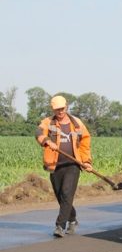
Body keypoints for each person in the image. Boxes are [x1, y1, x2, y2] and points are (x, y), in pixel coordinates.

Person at [35, 95, 93, 238]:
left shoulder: (77, 123)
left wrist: (86, 161)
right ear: (53, 109)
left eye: (62, 108)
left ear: (66, 106)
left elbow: (85, 142)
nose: (60, 112)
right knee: (61, 197)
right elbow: (38, 133)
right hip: (55, 165)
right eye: (57, 109)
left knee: (67, 194)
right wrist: (47, 141)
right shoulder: (48, 122)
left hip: (73, 164)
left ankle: (60, 226)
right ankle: (72, 219)